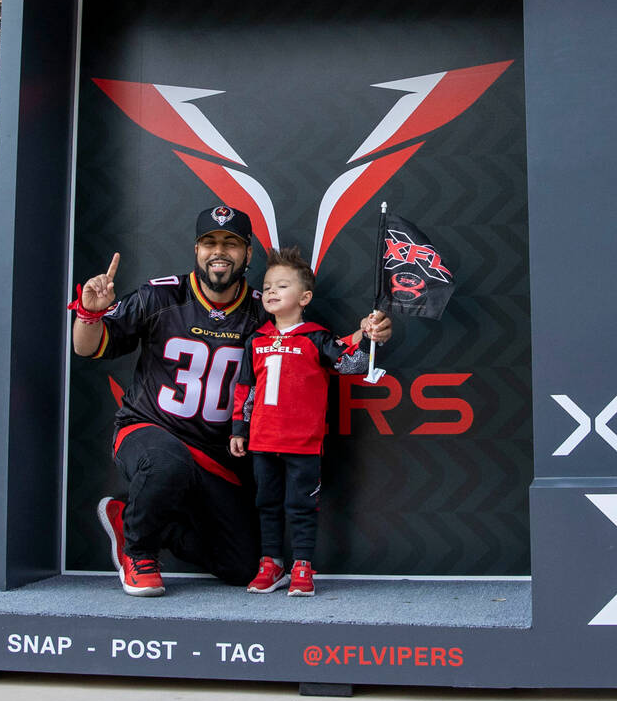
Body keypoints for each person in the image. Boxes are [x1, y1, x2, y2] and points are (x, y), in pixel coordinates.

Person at [69, 205, 390, 597]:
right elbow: (87, 348)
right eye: (210, 242)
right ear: (197, 250)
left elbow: (313, 347)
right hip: (150, 430)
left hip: (215, 452)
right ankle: (139, 550)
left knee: (242, 565)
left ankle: (133, 519)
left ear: (248, 254)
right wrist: (90, 313)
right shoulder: (162, 296)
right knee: (166, 462)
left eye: (230, 243)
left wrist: (366, 334)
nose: (219, 251)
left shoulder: (262, 310)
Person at [229, 246, 368, 597]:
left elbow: (351, 365)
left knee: (301, 505)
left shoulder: (316, 338)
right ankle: (271, 562)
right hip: (262, 440)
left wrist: (366, 337)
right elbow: (246, 389)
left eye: (282, 286)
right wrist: (239, 428)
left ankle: (302, 564)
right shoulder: (256, 341)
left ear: (304, 297)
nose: (272, 291)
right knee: (266, 503)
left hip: (302, 442)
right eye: (268, 285)